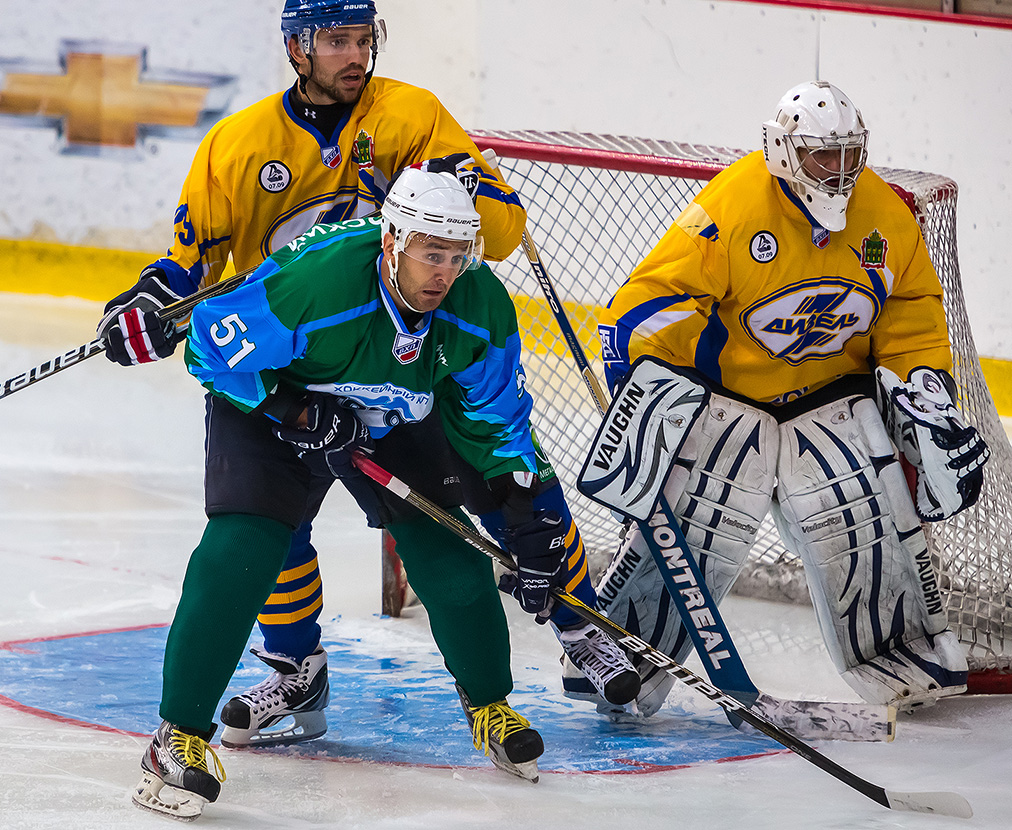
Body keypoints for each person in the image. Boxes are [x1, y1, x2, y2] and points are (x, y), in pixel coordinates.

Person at [98, 0, 638, 751]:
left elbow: (499, 235)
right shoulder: (239, 144)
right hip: (288, 358)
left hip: (402, 358)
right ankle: (295, 666)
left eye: (365, 39)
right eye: (337, 41)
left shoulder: (411, 117)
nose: (356, 55)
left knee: (498, 482)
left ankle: (579, 626)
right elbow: (193, 268)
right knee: (265, 528)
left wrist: (457, 184)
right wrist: (155, 299)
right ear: (296, 47)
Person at [125, 169, 578, 819]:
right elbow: (208, 344)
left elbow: (498, 420)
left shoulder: (478, 306)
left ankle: (491, 706)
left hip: (387, 413)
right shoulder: (318, 281)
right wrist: (295, 410)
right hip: (273, 405)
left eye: (456, 256)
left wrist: (527, 511)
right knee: (244, 546)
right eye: (429, 252)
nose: (443, 272)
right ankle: (176, 739)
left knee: (446, 542)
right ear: (392, 242)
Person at [592, 80, 989, 719]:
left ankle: (900, 653)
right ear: (782, 151)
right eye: (818, 156)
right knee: (693, 528)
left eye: (848, 155)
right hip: (730, 404)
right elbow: (651, 303)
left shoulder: (885, 216)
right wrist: (646, 393)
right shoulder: (733, 208)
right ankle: (620, 655)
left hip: (833, 401)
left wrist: (923, 391)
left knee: (863, 521)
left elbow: (911, 313)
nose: (836, 172)